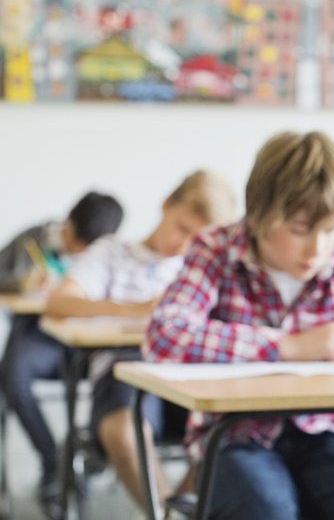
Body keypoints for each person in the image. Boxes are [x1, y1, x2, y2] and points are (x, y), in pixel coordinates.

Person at [143, 131, 334, 519]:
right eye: (299, 230)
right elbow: (164, 335)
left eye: (330, 230)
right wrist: (290, 346)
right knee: (265, 509)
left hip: (331, 432)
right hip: (237, 435)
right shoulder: (217, 250)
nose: (317, 248)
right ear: (260, 216)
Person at [44, 170, 237, 507]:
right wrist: (137, 310)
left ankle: (174, 508)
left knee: (234, 428)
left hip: (187, 370)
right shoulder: (112, 253)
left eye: (198, 238)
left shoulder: (204, 268)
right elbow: (59, 302)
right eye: (182, 228)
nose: (184, 244)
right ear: (166, 206)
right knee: (124, 428)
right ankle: (163, 511)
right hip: (124, 366)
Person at [0, 191, 123, 513]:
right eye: (74, 240)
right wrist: (24, 283)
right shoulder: (34, 241)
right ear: (67, 224)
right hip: (37, 335)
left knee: (120, 379)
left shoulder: (112, 256)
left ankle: (87, 460)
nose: (77, 251)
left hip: (88, 341)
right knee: (13, 377)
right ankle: (55, 462)